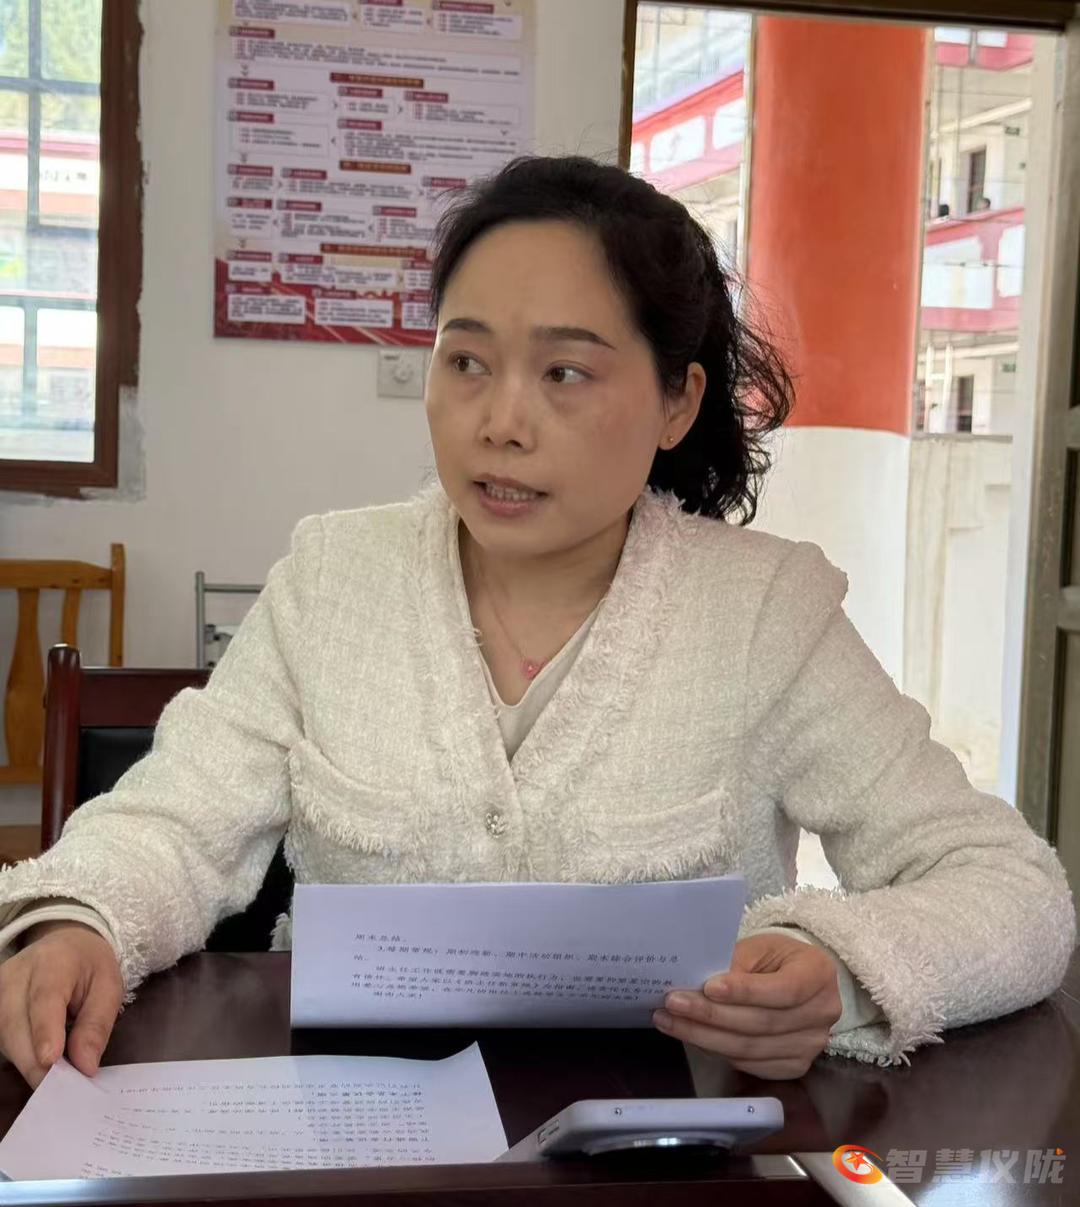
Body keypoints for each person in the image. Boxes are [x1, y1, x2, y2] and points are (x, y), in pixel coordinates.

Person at [0, 156, 1072, 1091]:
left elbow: (1012, 889)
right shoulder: (332, 581)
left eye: (565, 373)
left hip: (668, 1158)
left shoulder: (761, 613)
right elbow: (173, 824)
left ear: (676, 402)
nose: (501, 423)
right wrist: (79, 918)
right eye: (466, 361)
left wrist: (839, 968)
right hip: (353, 1133)